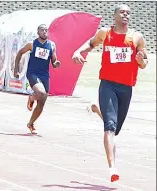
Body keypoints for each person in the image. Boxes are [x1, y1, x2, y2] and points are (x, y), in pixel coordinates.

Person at [72, 4, 148, 182]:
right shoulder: (105, 33)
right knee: (110, 127)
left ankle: (97, 110)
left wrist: (141, 61)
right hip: (107, 85)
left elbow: (144, 63)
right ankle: (112, 167)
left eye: (128, 13)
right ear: (114, 16)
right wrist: (77, 51)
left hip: (126, 87)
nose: (125, 15)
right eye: (122, 12)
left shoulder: (137, 37)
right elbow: (91, 43)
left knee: (115, 129)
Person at [14, 24, 61, 134]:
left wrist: (56, 63)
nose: (45, 32)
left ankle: (30, 123)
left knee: (41, 104)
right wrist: (16, 69)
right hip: (33, 73)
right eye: (42, 30)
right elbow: (20, 53)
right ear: (38, 32)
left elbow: (54, 61)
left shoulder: (52, 45)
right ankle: (31, 98)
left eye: (46, 30)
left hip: (45, 75)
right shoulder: (32, 44)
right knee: (41, 93)